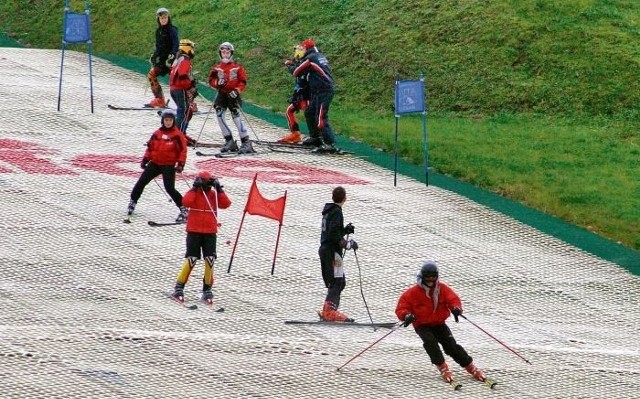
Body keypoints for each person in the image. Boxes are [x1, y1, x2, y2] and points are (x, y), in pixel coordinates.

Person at [395, 260, 489, 385]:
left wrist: (456, 308)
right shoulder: (412, 293)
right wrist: (406, 315)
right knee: (430, 342)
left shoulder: (442, 289)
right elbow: (402, 307)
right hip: (422, 324)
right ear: (422, 277)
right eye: (427, 277)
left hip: (439, 323)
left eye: (433, 277)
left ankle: (471, 367)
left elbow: (453, 299)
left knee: (451, 346)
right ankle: (443, 367)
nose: (430, 280)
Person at [171, 171, 231, 304]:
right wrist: (194, 188)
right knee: (191, 259)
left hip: (210, 231)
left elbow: (225, 204)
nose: (207, 186)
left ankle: (207, 289)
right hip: (194, 230)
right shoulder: (196, 192)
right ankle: (179, 287)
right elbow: (186, 202)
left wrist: (219, 189)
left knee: (210, 259)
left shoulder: (213, 194)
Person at [127, 109, 188, 223]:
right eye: (166, 120)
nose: (168, 122)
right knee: (141, 182)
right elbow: (150, 147)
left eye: (170, 120)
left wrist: (180, 164)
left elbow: (182, 151)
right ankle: (133, 201)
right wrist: (145, 159)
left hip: (168, 165)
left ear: (173, 121)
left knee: (169, 188)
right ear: (162, 121)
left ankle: (183, 208)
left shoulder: (177, 135)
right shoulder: (157, 133)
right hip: (155, 163)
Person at [285, 38, 337, 151]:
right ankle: (315, 138)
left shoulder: (310, 58)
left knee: (321, 117)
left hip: (324, 90)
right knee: (309, 112)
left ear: (307, 49)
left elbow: (296, 72)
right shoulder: (318, 56)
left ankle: (330, 144)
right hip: (319, 90)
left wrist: (289, 66)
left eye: (302, 48)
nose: (301, 51)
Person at [318, 186, 358, 322]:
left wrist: (345, 230)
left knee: (337, 281)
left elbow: (332, 231)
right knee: (337, 281)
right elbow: (333, 235)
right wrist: (347, 244)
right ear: (344, 198)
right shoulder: (336, 212)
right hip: (331, 251)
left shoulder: (329, 211)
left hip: (327, 250)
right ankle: (330, 312)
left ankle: (328, 309)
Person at [207, 42, 254, 154]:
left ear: (231, 53)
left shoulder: (237, 67)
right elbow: (211, 80)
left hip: (233, 94)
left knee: (235, 115)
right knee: (219, 114)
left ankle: (246, 141)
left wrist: (237, 90)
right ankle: (229, 140)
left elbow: (243, 81)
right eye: (223, 52)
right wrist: (217, 83)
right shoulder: (217, 68)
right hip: (222, 93)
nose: (225, 55)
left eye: (227, 53)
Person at [147, 7, 179, 108]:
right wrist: (154, 55)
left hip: (172, 61)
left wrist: (173, 55)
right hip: (162, 61)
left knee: (178, 81)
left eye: (165, 18)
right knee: (151, 75)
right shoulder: (158, 31)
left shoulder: (172, 30)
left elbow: (176, 44)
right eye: (161, 18)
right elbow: (159, 47)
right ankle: (160, 99)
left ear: (168, 18)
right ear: (158, 19)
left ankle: (188, 102)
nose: (163, 20)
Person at [278, 44, 309, 144]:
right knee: (289, 111)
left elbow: (296, 71)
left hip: (306, 93)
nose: (295, 54)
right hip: (299, 93)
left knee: (309, 114)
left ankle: (318, 136)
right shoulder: (301, 62)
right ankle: (295, 134)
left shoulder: (306, 62)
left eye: (297, 52)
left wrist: (289, 65)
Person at [169, 39, 198, 139]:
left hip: (174, 89)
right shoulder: (185, 59)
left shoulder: (178, 59)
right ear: (187, 48)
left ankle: (182, 133)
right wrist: (190, 87)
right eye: (192, 48)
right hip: (179, 89)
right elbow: (182, 75)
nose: (193, 51)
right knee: (184, 111)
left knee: (187, 111)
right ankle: (178, 136)